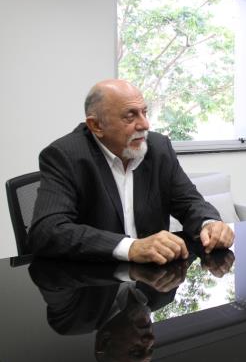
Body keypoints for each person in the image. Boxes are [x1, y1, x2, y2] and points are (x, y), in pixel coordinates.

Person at [29, 79, 234, 263]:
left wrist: (209, 223)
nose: (144, 124)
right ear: (96, 125)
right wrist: (130, 247)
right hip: (95, 281)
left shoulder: (158, 148)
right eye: (130, 116)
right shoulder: (66, 156)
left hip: (154, 282)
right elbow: (47, 230)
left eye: (144, 112)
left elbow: (189, 202)